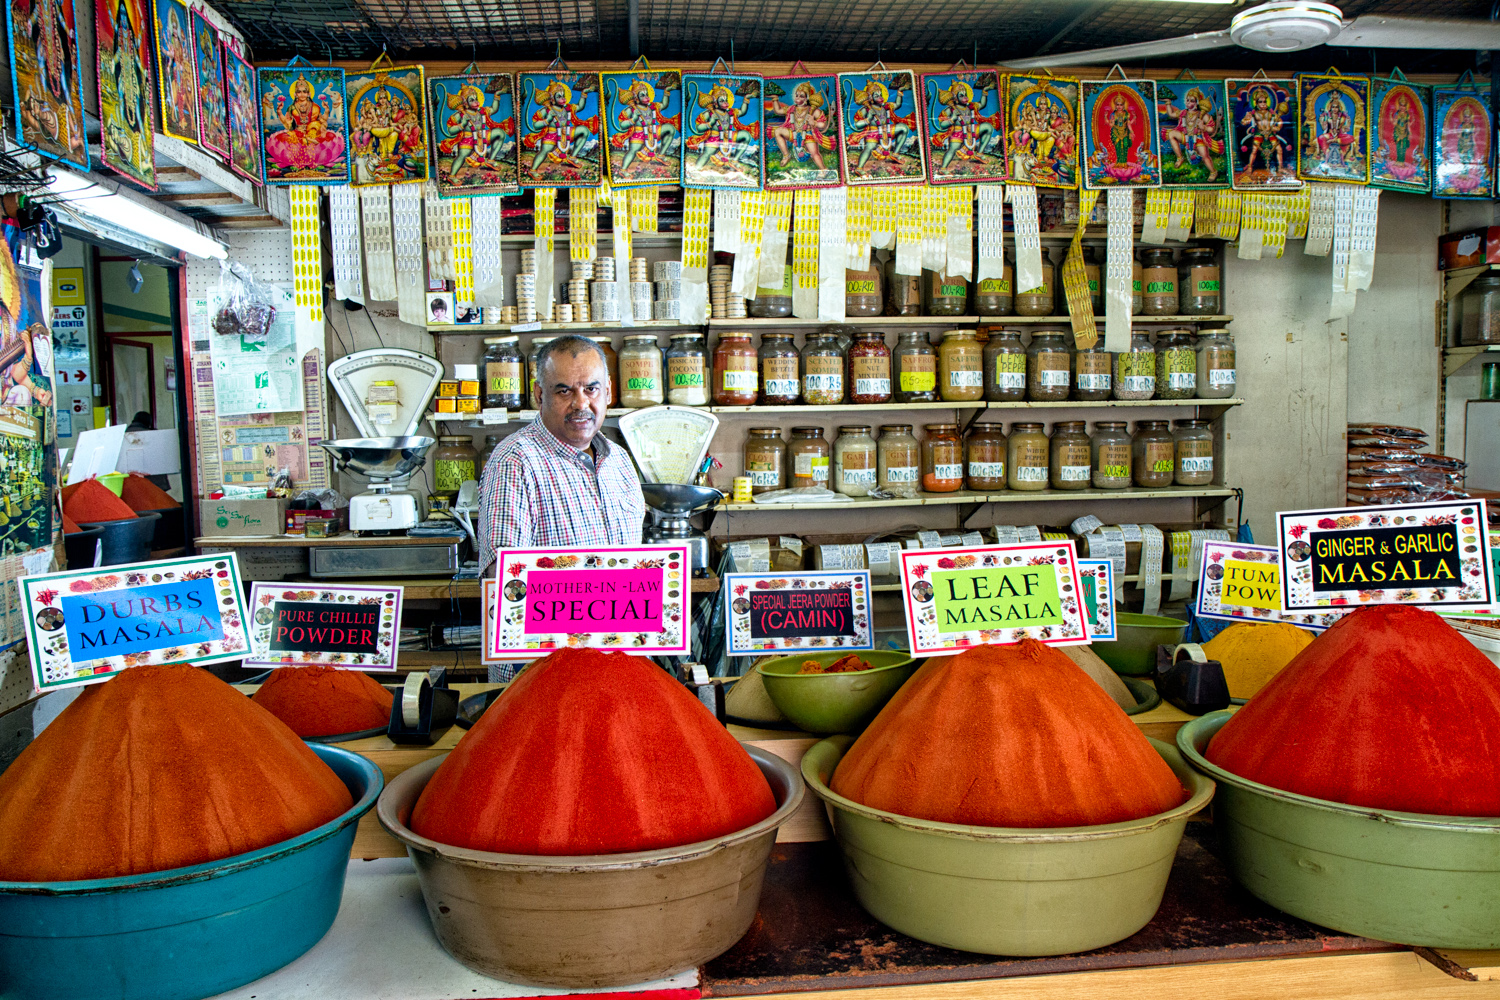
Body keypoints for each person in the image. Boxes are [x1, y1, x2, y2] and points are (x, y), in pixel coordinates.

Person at [478, 335, 644, 580]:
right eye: (565, 391)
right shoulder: (514, 461)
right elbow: (503, 578)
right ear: (540, 395)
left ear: (607, 392)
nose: (581, 403)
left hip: (625, 616)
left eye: (591, 389)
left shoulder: (619, 460)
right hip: (549, 619)